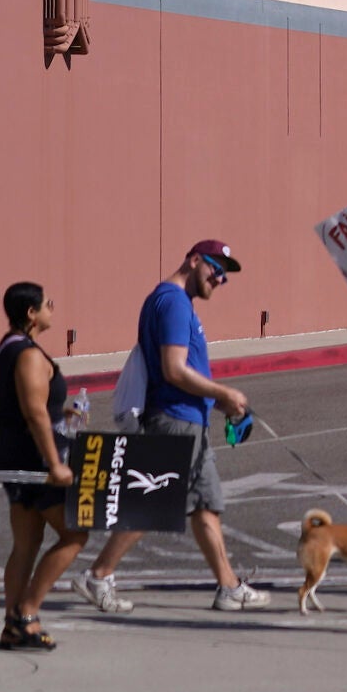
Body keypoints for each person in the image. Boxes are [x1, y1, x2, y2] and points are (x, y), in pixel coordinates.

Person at [76, 241, 266, 614]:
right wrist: (224, 394)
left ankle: (228, 587)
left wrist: (215, 402)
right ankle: (98, 574)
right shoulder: (174, 302)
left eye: (225, 276)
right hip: (175, 419)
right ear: (195, 260)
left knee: (206, 504)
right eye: (216, 268)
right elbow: (174, 369)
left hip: (187, 419)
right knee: (152, 504)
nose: (220, 278)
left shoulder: (176, 303)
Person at [0, 281, 86, 649]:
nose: (52, 308)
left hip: (15, 457)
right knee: (75, 534)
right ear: (31, 313)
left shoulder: (8, 348)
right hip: (35, 463)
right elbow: (32, 413)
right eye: (48, 303)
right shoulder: (28, 353)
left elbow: (29, 405)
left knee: (26, 544)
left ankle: (12, 625)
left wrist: (61, 410)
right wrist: (54, 463)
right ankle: (26, 613)